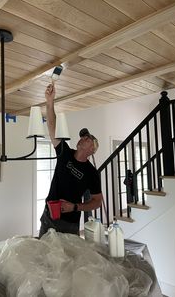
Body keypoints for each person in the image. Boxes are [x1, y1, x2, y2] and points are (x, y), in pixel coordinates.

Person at [39, 84, 102, 238]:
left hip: (69, 223)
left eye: (88, 139)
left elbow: (97, 201)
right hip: (48, 216)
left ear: (92, 150)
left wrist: (74, 207)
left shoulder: (91, 173)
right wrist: (50, 102)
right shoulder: (65, 153)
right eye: (83, 136)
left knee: (66, 260)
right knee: (41, 256)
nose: (83, 138)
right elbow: (53, 128)